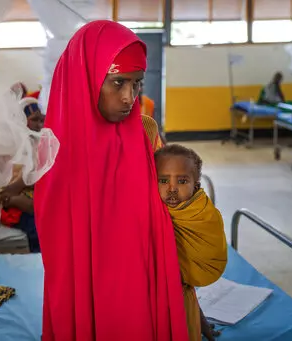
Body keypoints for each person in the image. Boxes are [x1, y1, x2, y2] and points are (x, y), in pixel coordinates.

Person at [34, 21, 189, 341]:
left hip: (140, 291)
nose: (128, 97)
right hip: (89, 298)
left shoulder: (144, 136)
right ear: (85, 79)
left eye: (136, 84)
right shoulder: (57, 152)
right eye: (118, 82)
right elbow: (61, 255)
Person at [154, 144, 227, 341]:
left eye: (182, 181)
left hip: (182, 299)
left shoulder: (203, 215)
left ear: (196, 186)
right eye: (163, 180)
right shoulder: (152, 214)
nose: (172, 189)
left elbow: (203, 261)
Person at [0, 97, 46, 252]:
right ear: (22, 120)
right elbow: (3, 179)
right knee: (38, 228)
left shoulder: (44, 142)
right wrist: (13, 193)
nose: (39, 125)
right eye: (34, 120)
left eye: (42, 120)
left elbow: (42, 174)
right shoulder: (10, 143)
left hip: (31, 193)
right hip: (11, 196)